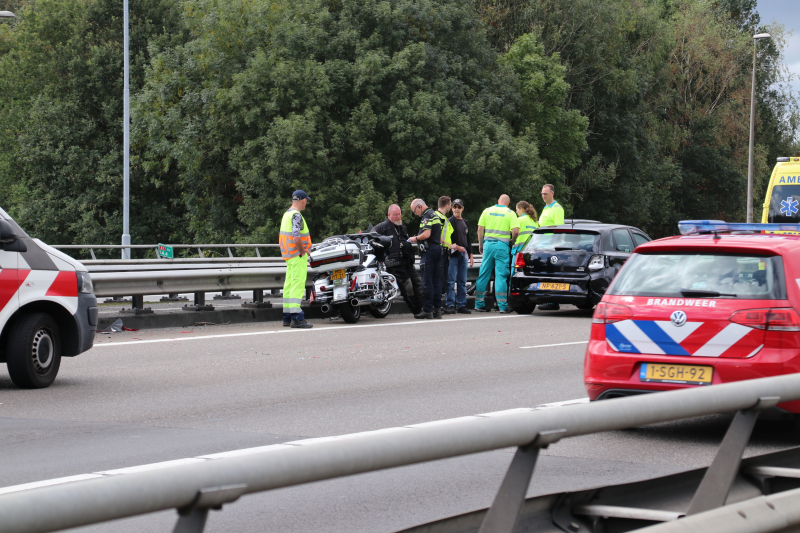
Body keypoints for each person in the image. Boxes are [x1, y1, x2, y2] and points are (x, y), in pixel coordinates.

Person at [373, 204, 424, 315]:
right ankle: (416, 311)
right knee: (408, 286)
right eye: (395, 215)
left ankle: (424, 308)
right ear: (389, 214)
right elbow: (371, 239)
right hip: (394, 264)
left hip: (407, 262)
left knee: (418, 282)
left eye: (399, 214)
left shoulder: (402, 226)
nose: (398, 216)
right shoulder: (382, 227)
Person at [475, 195, 519, 313]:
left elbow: (480, 229)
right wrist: (512, 241)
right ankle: (502, 306)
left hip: (488, 245)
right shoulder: (510, 213)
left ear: (498, 201)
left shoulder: (487, 211)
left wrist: (480, 244)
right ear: (508, 203)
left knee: (483, 274)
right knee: (501, 276)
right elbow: (515, 231)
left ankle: (479, 304)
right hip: (502, 247)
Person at [278, 190, 313, 328]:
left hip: (289, 256)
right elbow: (296, 236)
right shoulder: (296, 216)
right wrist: (302, 250)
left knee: (289, 286)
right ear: (303, 200)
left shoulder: (287, 214)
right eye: (306, 201)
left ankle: (287, 317)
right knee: (297, 286)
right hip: (298, 255)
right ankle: (297, 319)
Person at [408, 198, 446, 319]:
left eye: (414, 211)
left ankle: (428, 310)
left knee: (427, 282)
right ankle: (437, 310)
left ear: (419, 206)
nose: (415, 214)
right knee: (436, 281)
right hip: (437, 250)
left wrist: (414, 238)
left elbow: (426, 234)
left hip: (429, 251)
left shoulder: (426, 216)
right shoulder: (434, 214)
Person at [445, 199, 473, 314]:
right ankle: (450, 304)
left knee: (462, 281)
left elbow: (468, 239)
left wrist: (471, 254)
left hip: (463, 254)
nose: (457, 209)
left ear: (462, 208)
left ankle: (462, 304)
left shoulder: (465, 222)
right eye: (455, 207)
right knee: (451, 281)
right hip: (453, 254)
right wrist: (455, 247)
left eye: (459, 207)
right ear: (452, 208)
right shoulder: (449, 221)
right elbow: (445, 239)